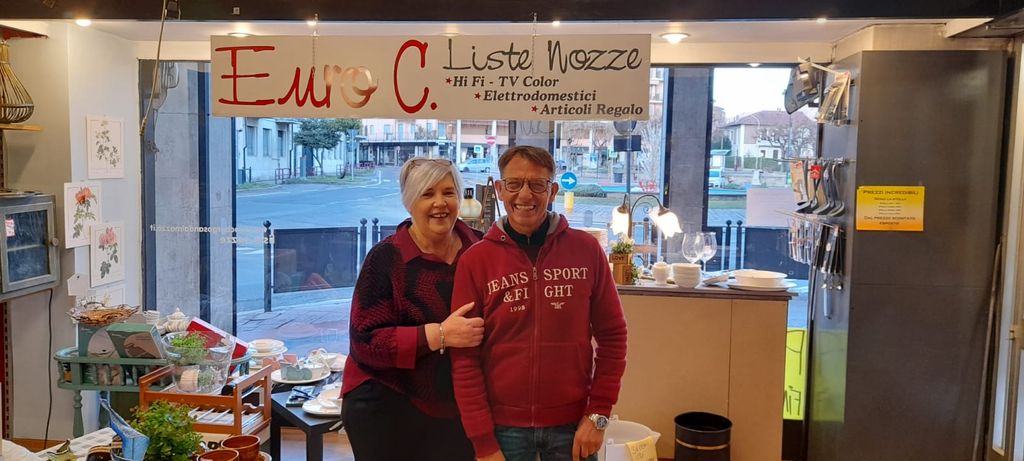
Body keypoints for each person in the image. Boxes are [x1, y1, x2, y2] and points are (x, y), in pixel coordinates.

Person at [450, 146, 628, 461]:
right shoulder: (475, 261)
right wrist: (483, 442)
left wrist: (599, 415)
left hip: (574, 427)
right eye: (514, 184)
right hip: (503, 430)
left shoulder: (587, 251)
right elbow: (464, 357)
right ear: (499, 189)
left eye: (537, 184)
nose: (525, 195)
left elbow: (613, 336)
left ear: (553, 191)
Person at [341, 157, 485, 461]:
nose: (440, 203)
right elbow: (365, 342)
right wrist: (439, 335)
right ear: (409, 202)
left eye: (448, 192)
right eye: (427, 193)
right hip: (387, 402)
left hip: (460, 404)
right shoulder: (386, 258)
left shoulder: (482, 251)